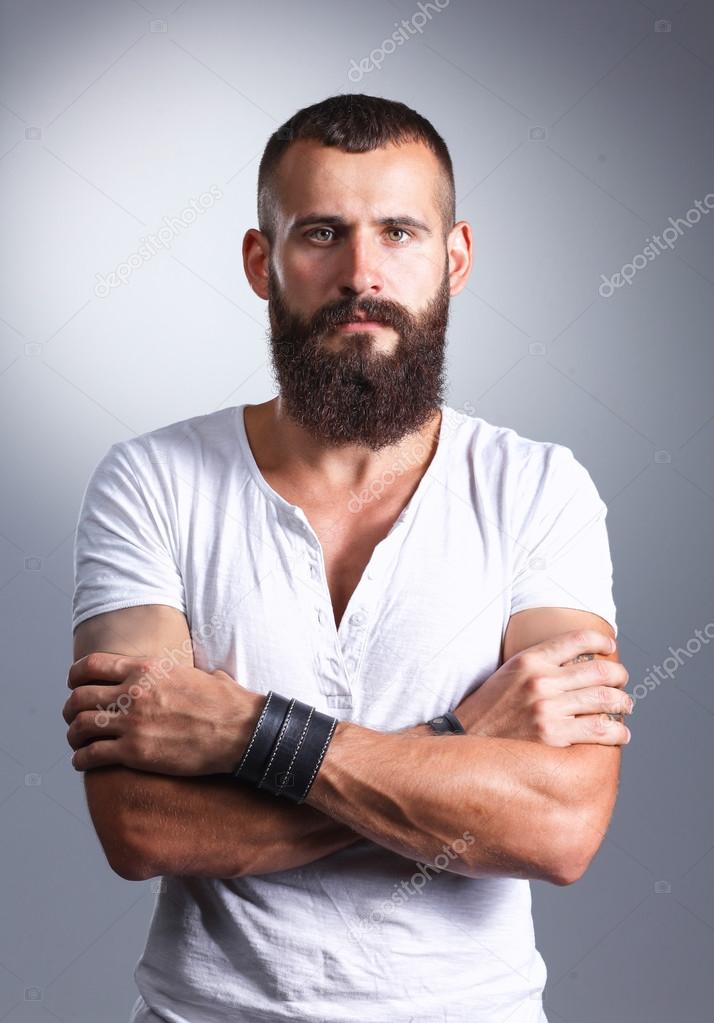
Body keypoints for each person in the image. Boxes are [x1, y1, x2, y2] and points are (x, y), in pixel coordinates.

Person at [63, 94, 631, 1023]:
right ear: (263, 262)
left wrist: (247, 732)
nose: (361, 272)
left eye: (400, 231)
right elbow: (142, 825)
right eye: (322, 232)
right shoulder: (150, 481)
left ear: (456, 258)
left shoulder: (540, 490)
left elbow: (560, 826)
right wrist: (453, 757)